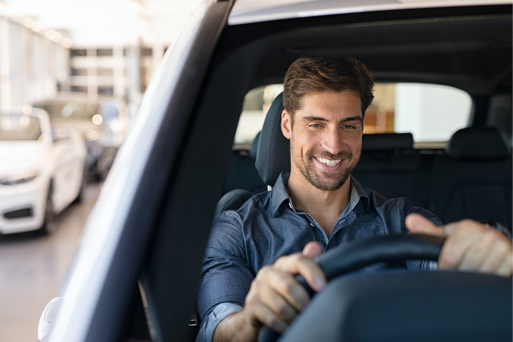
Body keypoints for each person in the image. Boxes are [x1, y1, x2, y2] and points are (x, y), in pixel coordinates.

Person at [197, 58, 513, 342]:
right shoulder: (236, 228)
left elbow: (448, 267)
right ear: (286, 125)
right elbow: (221, 329)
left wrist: (482, 263)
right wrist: (252, 317)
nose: (334, 145)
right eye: (316, 124)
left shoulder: (401, 220)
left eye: (348, 125)